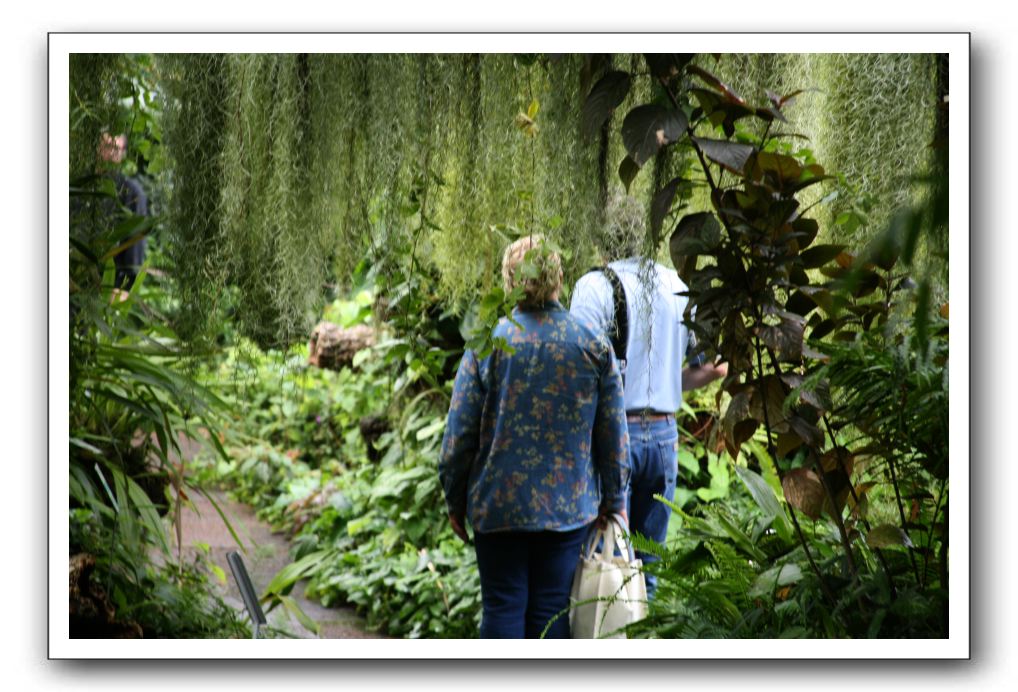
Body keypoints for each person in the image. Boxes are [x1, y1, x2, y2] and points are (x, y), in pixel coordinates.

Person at [439, 234, 631, 639]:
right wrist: (615, 500)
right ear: (558, 277)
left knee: (503, 607)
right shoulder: (593, 346)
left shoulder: (487, 345)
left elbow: (458, 437)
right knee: (551, 611)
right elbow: (614, 438)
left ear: (510, 280)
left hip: (499, 507)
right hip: (567, 510)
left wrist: (455, 500)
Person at [569, 194, 727, 599]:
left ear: (602, 236)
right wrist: (667, 382)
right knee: (649, 568)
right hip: (663, 438)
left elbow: (576, 368)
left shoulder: (593, 286)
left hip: (611, 438)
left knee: (602, 564)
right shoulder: (676, 284)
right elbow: (716, 366)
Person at [98, 133, 148, 290]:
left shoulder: (131, 193)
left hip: (109, 288)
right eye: (106, 147)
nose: (110, 154)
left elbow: (135, 247)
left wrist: (123, 290)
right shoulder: (79, 187)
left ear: (123, 154)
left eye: (116, 149)